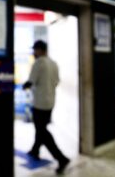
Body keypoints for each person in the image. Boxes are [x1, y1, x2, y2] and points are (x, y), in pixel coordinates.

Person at [23, 40, 70, 174]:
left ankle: (61, 159)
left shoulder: (38, 63)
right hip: (50, 103)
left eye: (34, 50)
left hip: (39, 104)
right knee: (41, 128)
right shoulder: (54, 63)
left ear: (39, 50)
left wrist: (24, 86)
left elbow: (30, 82)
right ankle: (35, 150)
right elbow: (57, 82)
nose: (33, 53)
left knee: (42, 131)